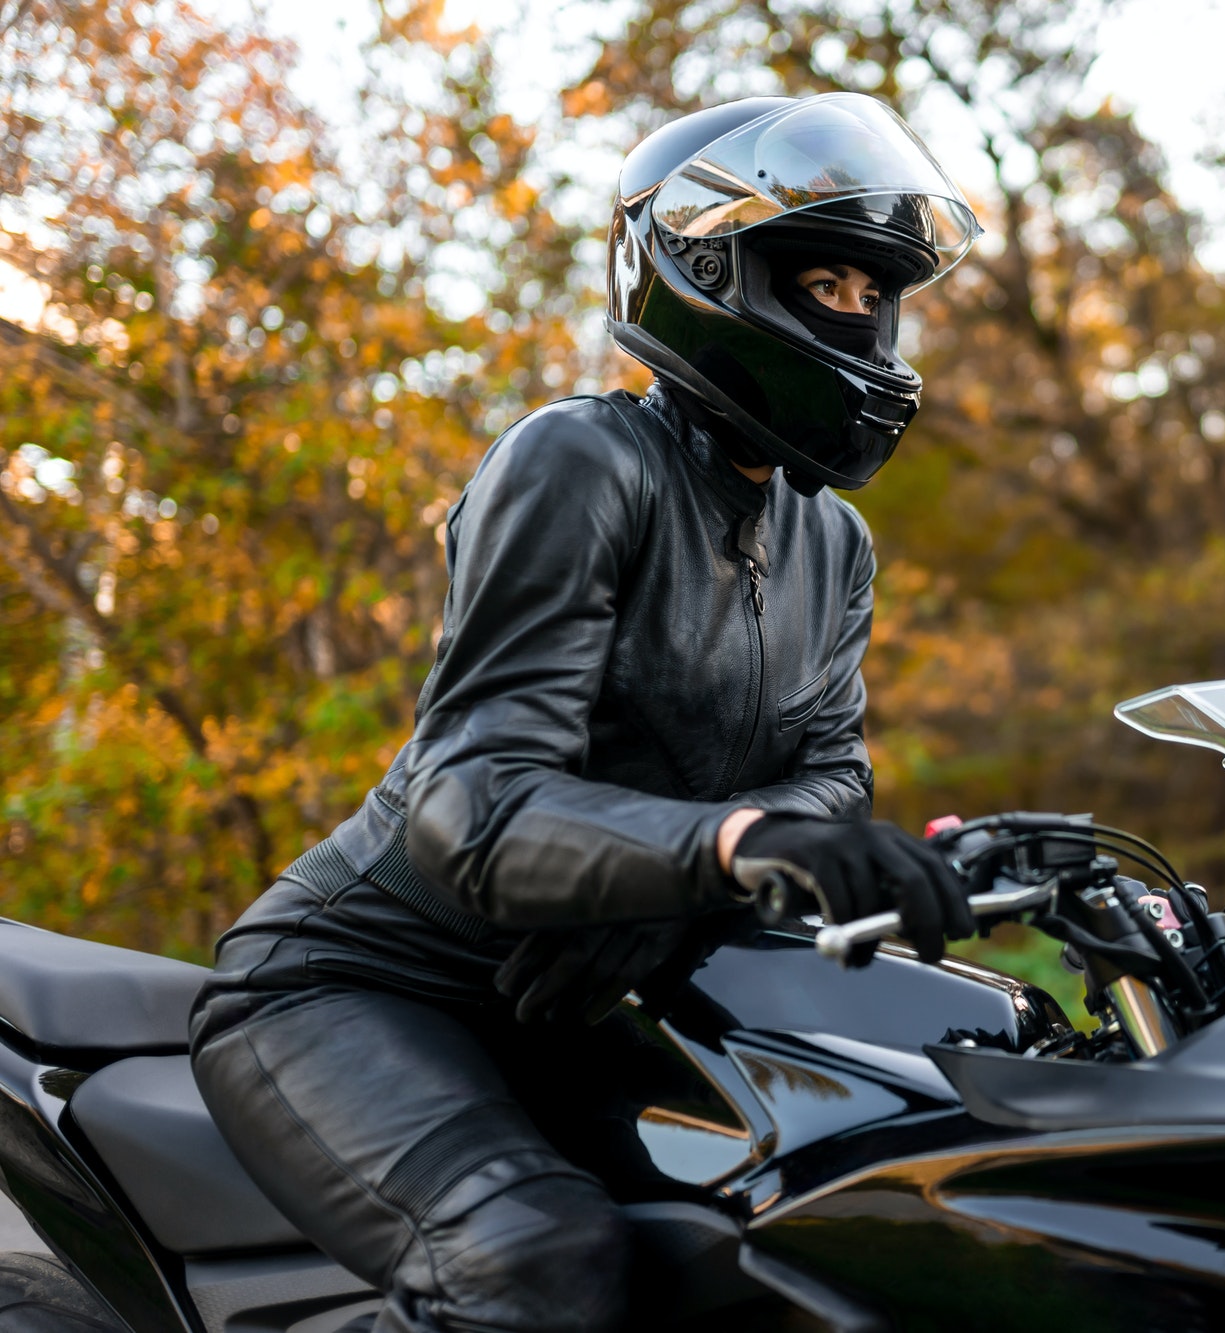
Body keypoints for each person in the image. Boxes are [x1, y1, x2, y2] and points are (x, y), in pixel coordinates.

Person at [189, 93, 983, 1333]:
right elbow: (474, 803)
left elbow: (835, 772)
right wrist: (732, 846)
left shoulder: (833, 540)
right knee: (532, 1262)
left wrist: (689, 873)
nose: (860, 319)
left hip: (571, 1004)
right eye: (823, 280)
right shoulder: (580, 461)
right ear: (708, 269)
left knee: (825, 1222)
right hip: (358, 984)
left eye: (874, 293)